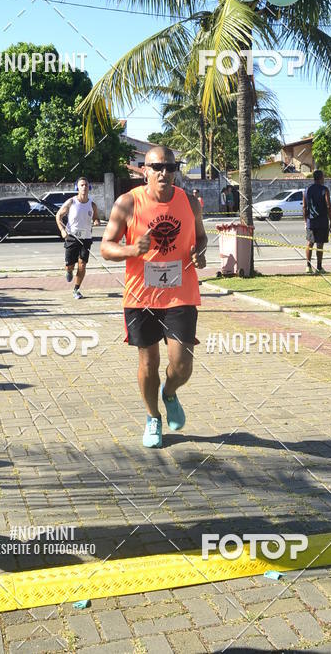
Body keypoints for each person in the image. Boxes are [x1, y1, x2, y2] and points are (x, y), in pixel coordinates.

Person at [101, 145, 207, 449]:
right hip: (141, 297)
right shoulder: (127, 203)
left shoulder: (189, 202)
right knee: (148, 362)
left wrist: (199, 253)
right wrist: (132, 250)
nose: (164, 173)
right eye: (157, 167)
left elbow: (200, 237)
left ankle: (170, 392)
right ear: (144, 170)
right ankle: (152, 418)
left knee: (182, 364)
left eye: (170, 168)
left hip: (181, 293)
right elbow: (106, 247)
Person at [55, 178, 100, 300]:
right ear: (77, 188)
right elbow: (58, 215)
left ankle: (76, 289)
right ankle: (69, 271)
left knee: (82, 264)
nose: (84, 187)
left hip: (86, 238)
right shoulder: (71, 202)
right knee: (70, 265)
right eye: (82, 185)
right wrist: (62, 230)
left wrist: (96, 222)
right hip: (72, 237)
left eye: (86, 185)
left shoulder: (92, 204)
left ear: (89, 187)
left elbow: (96, 218)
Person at [303, 170, 331, 274]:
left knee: (309, 243)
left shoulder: (307, 190)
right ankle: (319, 267)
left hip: (310, 221)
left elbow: (304, 207)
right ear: (321, 178)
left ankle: (308, 266)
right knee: (320, 244)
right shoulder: (324, 190)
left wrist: (305, 221)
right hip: (322, 221)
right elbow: (329, 206)